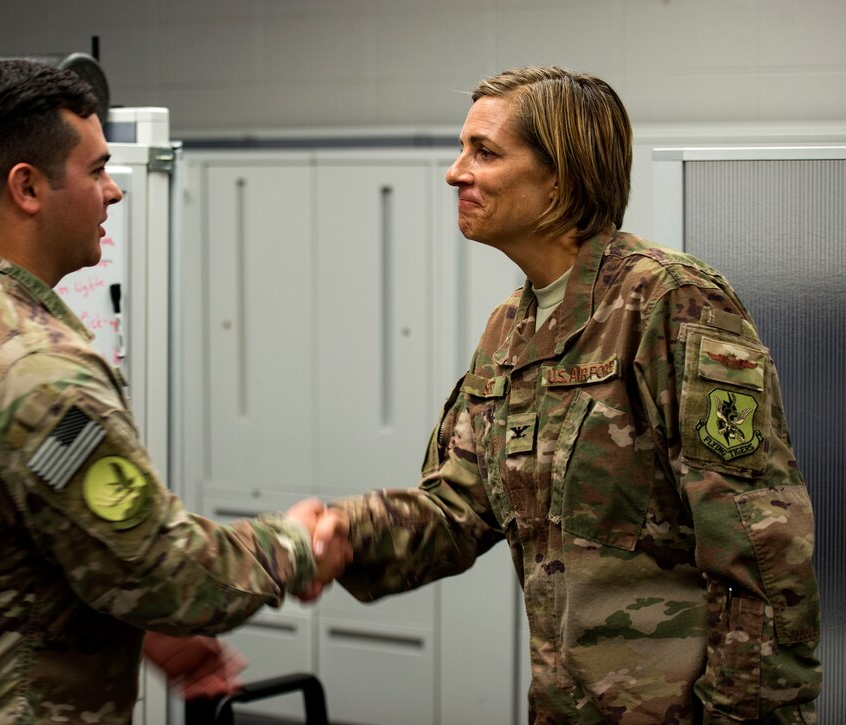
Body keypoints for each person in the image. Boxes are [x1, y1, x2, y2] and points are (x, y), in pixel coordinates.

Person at [0, 59, 348, 724]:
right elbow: (162, 567)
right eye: (98, 169)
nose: (114, 191)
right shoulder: (34, 369)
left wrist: (143, 624)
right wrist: (299, 545)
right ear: (28, 187)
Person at [322, 66, 821, 722]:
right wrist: (334, 536)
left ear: (561, 179)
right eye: (462, 149)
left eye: (484, 152)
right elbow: (458, 510)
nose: (455, 172)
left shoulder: (670, 303)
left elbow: (760, 552)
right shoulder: (511, 330)